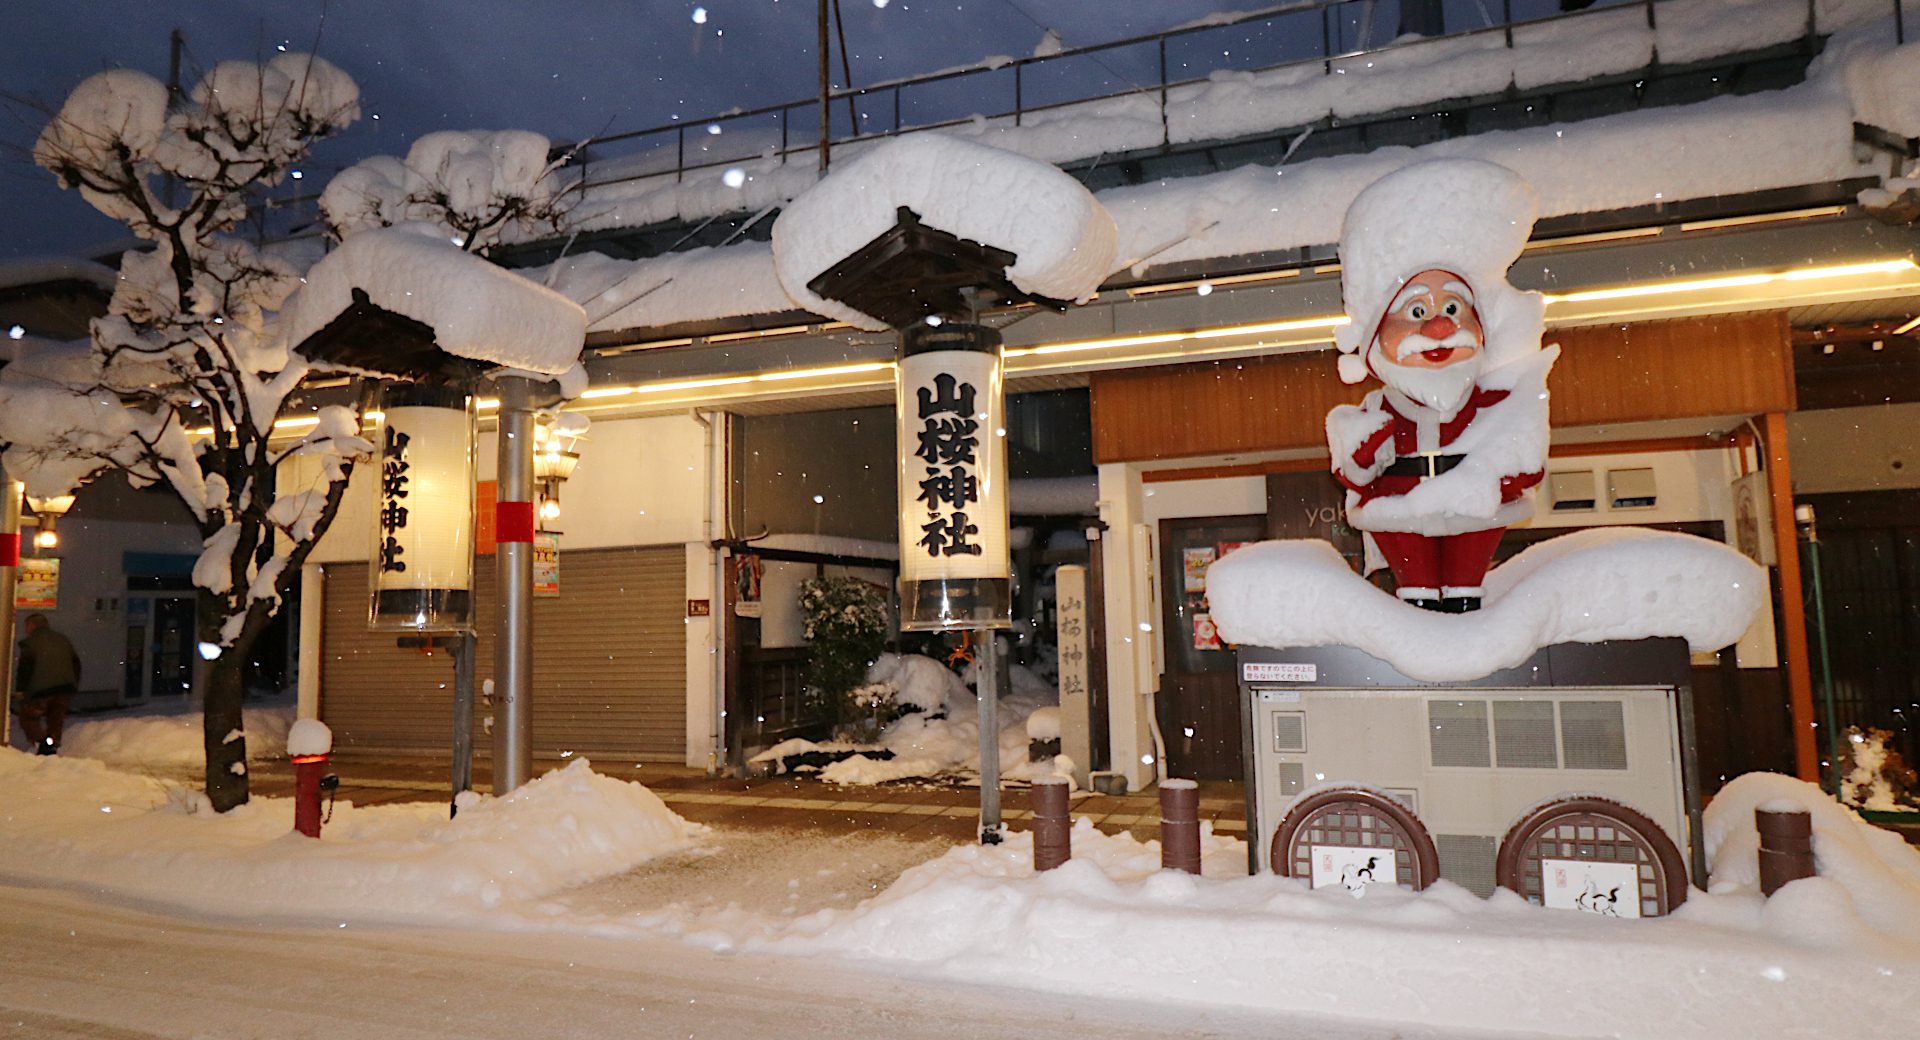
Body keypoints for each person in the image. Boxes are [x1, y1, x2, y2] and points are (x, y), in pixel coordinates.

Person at [1326, 159, 1559, 613]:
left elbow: (1523, 460)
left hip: (1476, 506)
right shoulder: (1375, 406)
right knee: (1416, 595)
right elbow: (1353, 472)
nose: (1439, 328)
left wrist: (1496, 472)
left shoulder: (1495, 400)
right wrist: (1364, 449)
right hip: (1399, 507)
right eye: (1416, 312)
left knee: (1463, 591)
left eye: (1453, 308)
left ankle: (1463, 629)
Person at [14, 613, 80, 754]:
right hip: (64, 689)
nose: (25, 629)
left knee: (28, 717)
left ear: (31, 625)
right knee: (55, 720)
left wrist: (21, 690)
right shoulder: (62, 639)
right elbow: (76, 663)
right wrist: (73, 684)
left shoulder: (31, 643)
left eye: (26, 626)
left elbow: (25, 669)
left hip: (41, 691)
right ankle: (51, 745)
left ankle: (45, 744)